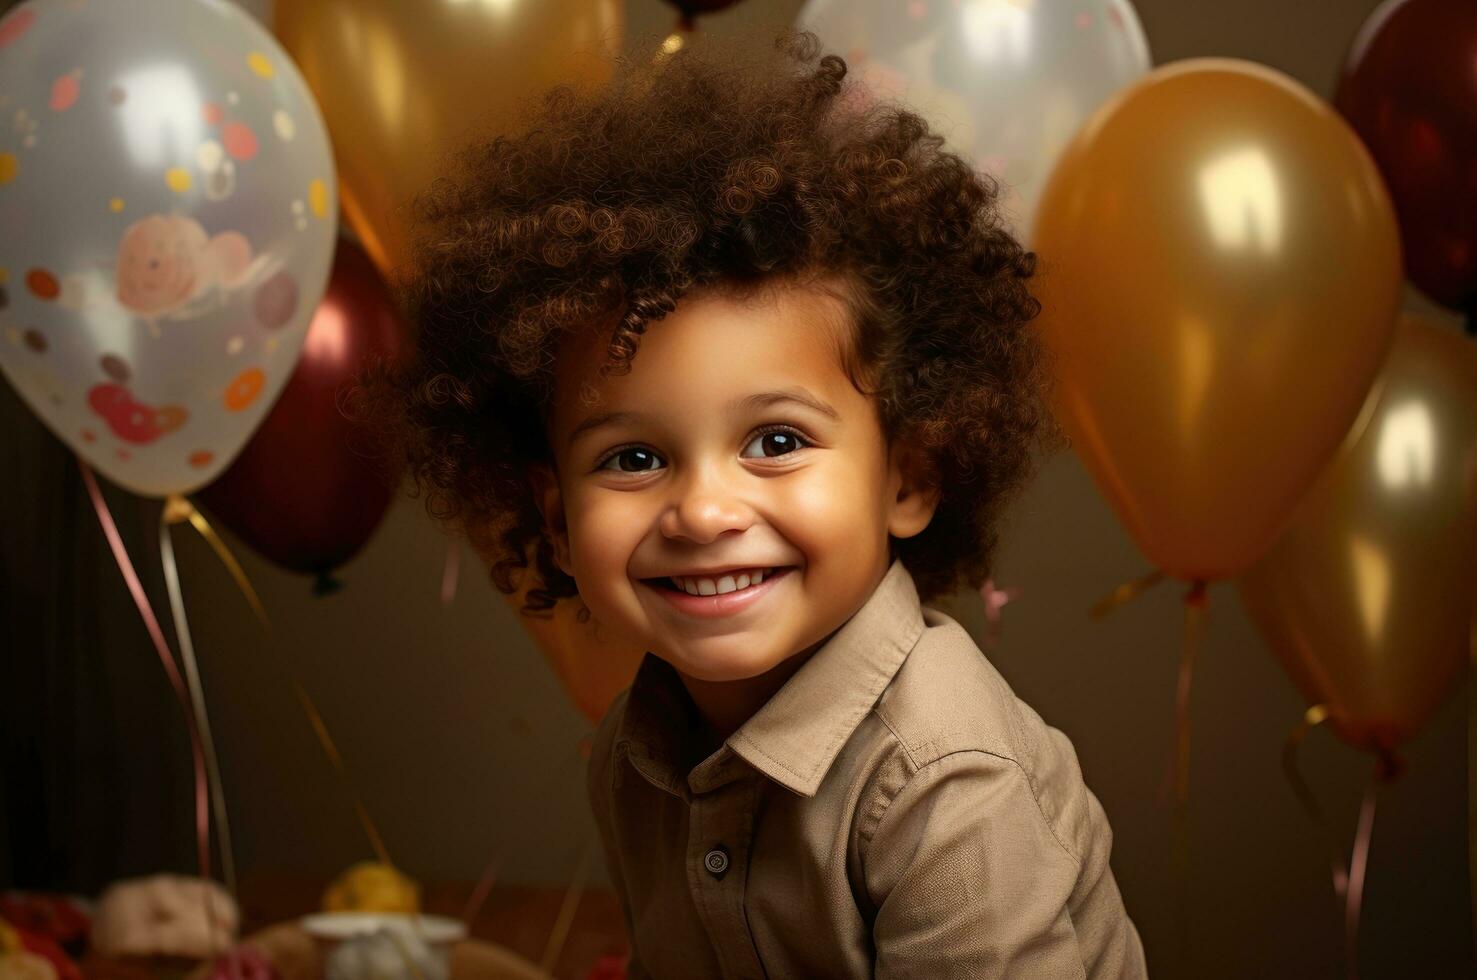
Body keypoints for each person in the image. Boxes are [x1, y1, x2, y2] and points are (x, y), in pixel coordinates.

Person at [356, 27, 1147, 979]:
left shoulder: (943, 783)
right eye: (635, 456)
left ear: (908, 477)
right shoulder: (638, 757)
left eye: (775, 443)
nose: (703, 511)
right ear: (559, 522)